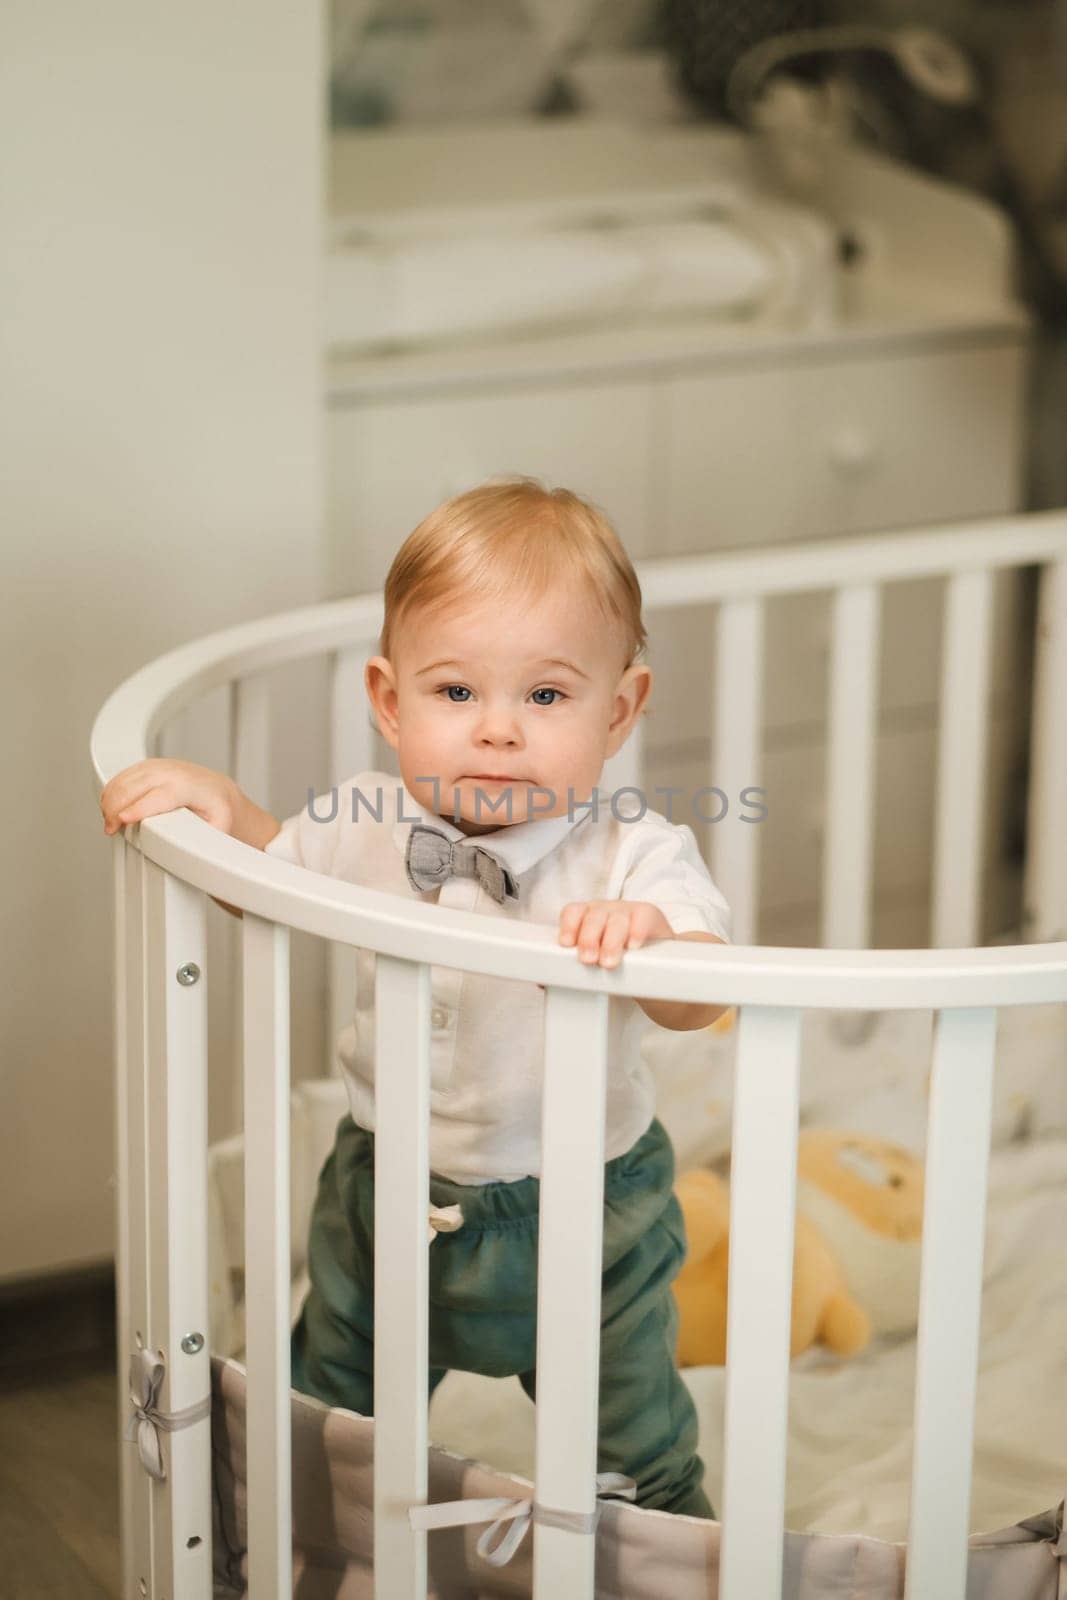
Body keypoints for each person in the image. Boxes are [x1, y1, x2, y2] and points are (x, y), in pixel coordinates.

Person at [99, 476, 732, 1520]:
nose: (497, 732)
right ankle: (296, 1551)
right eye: (455, 694)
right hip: (380, 1193)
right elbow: (273, 873)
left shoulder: (635, 853)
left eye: (544, 696)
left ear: (616, 710)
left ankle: (658, 1563)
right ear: (390, 701)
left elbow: (701, 998)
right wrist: (221, 812)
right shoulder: (364, 819)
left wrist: (655, 945)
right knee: (326, 1411)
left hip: (586, 1217)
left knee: (630, 1438)